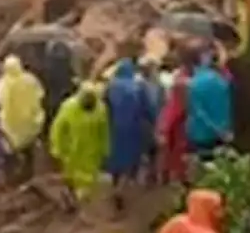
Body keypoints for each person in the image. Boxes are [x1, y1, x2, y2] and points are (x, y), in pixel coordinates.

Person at [47, 81, 109, 204]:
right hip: (71, 151)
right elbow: (57, 129)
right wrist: (57, 148)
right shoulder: (68, 107)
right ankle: (74, 196)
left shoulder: (100, 109)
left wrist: (105, 148)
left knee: (88, 181)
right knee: (73, 177)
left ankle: (82, 200)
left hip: (92, 152)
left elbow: (104, 130)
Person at [102, 60, 154, 192]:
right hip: (133, 128)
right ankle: (122, 187)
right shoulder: (138, 87)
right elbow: (147, 108)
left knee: (115, 157)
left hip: (113, 127)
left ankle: (115, 183)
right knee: (130, 157)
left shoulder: (110, 86)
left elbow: (104, 106)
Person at [0, 56, 46, 182]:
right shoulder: (30, 79)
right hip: (29, 121)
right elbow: (41, 94)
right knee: (28, 148)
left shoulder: (3, 83)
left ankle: (10, 177)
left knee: (10, 149)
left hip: (11, 123)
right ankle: (29, 174)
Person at [187, 54, 235, 165]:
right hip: (222, 131)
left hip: (201, 133)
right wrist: (223, 129)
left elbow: (198, 112)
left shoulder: (195, 83)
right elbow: (227, 106)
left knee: (203, 164)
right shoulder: (222, 81)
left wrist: (214, 128)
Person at [157, 53, 193, 186]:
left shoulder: (173, 99)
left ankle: (168, 175)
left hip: (174, 124)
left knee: (170, 151)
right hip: (178, 125)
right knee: (177, 151)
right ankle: (177, 176)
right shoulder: (184, 85)